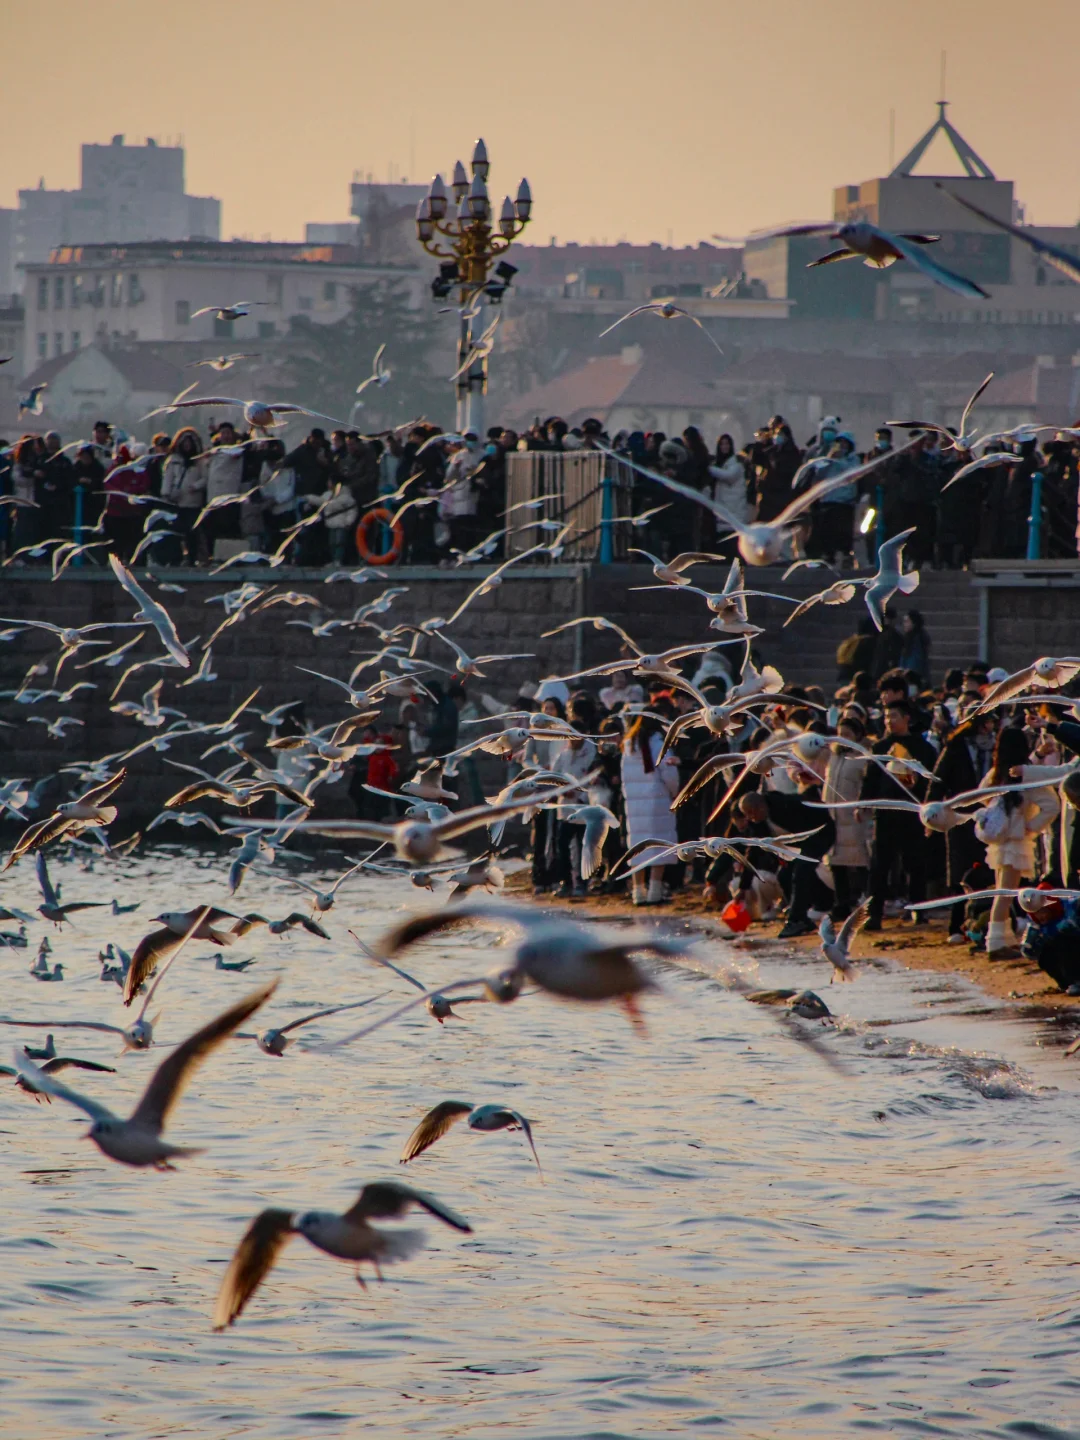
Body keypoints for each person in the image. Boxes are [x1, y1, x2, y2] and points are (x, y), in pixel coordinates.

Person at [976, 727, 1059, 960]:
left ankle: (1004, 939)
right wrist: (1031, 826)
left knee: (1002, 892)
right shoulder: (1027, 776)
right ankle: (995, 943)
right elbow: (1052, 805)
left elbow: (981, 795)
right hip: (1016, 841)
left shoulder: (996, 773)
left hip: (998, 840)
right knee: (1005, 893)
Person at [859, 698, 937, 930]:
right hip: (885, 812)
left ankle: (918, 910)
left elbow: (930, 781)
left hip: (913, 812)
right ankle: (874, 914)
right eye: (886, 717)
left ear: (907, 719)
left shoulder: (923, 748)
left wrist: (929, 806)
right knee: (879, 866)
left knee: (915, 863)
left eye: (894, 716)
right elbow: (871, 779)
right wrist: (863, 803)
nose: (889, 721)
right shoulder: (880, 748)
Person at [931, 711, 996, 942]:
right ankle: (956, 926)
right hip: (959, 817)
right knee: (960, 873)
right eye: (988, 721)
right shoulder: (956, 746)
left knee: (987, 870)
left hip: (989, 816)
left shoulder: (995, 746)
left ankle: (982, 922)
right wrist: (931, 814)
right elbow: (938, 780)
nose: (991, 726)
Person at [620, 714, 680, 905]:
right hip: (658, 800)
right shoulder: (659, 743)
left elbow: (623, 776)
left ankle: (638, 892)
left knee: (638, 846)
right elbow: (669, 773)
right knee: (658, 845)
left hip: (634, 802)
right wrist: (675, 793)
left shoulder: (628, 744)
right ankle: (655, 891)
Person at [822, 710, 872, 919]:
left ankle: (863, 900)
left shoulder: (863, 758)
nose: (843, 739)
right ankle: (841, 903)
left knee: (860, 861)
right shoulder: (833, 756)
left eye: (848, 735)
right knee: (837, 865)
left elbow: (867, 785)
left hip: (854, 819)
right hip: (833, 818)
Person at [1021, 886, 1080, 992]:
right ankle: (1065, 983)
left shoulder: (1071, 907)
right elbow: (1028, 952)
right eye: (1036, 912)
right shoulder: (1035, 925)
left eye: (1043, 910)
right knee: (1045, 955)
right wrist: (1030, 944)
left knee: (1064, 942)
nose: (1040, 916)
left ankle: (1077, 981)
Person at [161, 428, 207, 565]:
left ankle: (192, 559)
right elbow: (168, 478)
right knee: (176, 532)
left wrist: (196, 486)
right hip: (177, 503)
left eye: (190, 442)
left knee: (192, 533)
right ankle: (176, 559)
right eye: (184, 442)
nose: (187, 445)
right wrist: (166, 494)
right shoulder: (173, 460)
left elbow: (206, 478)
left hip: (194, 503)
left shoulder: (199, 461)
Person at [898, 609, 931, 686]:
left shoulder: (917, 638)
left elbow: (916, 659)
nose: (904, 624)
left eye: (907, 621)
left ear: (914, 623)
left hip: (913, 677)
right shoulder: (910, 637)